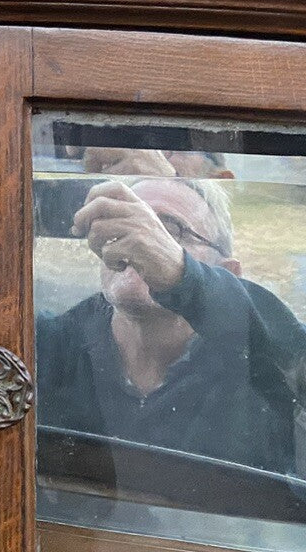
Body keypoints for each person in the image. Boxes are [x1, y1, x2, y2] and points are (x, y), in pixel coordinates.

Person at [38, 169, 306, 477]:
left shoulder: (257, 368)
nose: (136, 238)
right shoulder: (50, 346)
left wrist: (183, 277)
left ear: (225, 273)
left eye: (169, 230)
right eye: (119, 224)